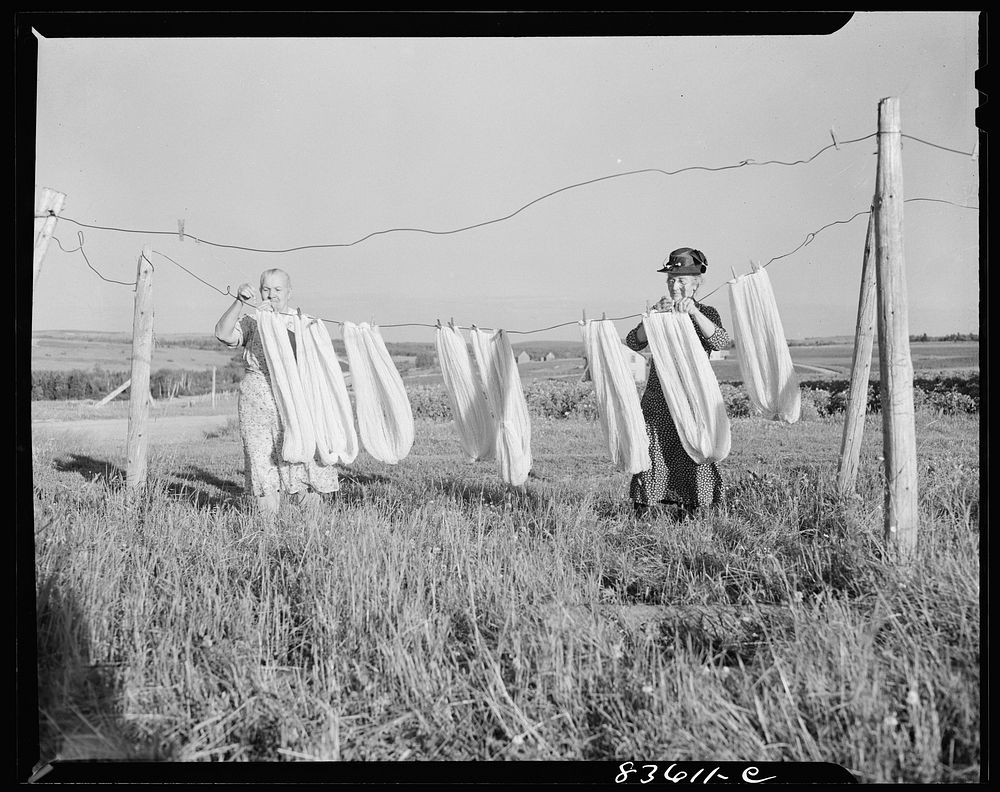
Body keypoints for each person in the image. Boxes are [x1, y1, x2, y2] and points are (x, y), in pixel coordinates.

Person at [214, 268, 339, 514]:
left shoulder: (303, 322)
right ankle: (268, 532)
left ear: (289, 292)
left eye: (278, 289)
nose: (271, 295)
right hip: (258, 403)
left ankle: (311, 529)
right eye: (266, 289)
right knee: (262, 462)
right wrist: (240, 301)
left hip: (297, 402)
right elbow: (222, 333)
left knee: (304, 458)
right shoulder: (252, 321)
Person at [625, 247, 731, 520]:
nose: (675, 284)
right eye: (671, 279)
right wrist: (650, 316)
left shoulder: (706, 312)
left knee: (695, 445)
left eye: (682, 280)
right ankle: (646, 508)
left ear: (696, 284)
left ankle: (695, 506)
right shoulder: (660, 313)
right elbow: (634, 342)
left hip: (694, 396)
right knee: (654, 445)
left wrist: (694, 312)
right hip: (659, 396)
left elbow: (720, 341)